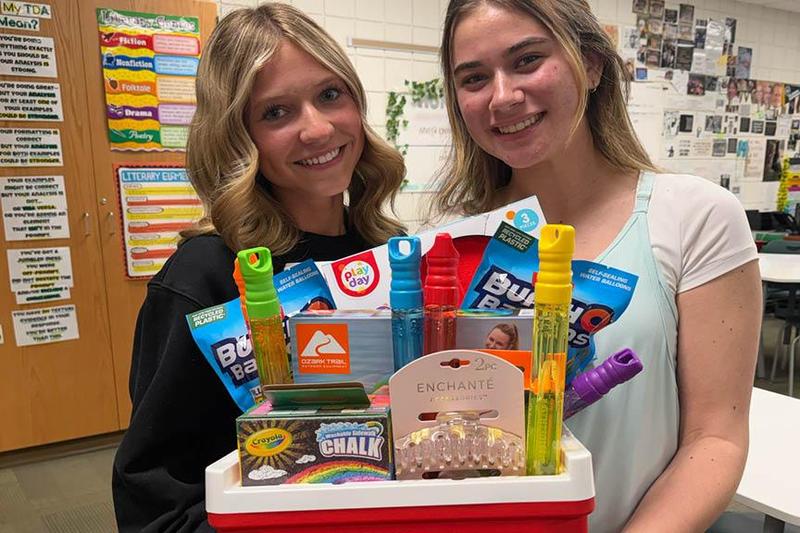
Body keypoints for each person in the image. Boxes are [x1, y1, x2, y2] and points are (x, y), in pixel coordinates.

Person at [433, 1, 761, 531]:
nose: (502, 96)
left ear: (591, 64)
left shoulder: (694, 216)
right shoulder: (451, 238)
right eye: (474, 77)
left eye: (527, 60)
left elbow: (716, 439)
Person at [112, 4, 406, 531]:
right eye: (276, 112)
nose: (317, 129)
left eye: (329, 95)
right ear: (235, 136)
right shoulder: (202, 278)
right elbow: (156, 505)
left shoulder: (391, 253)